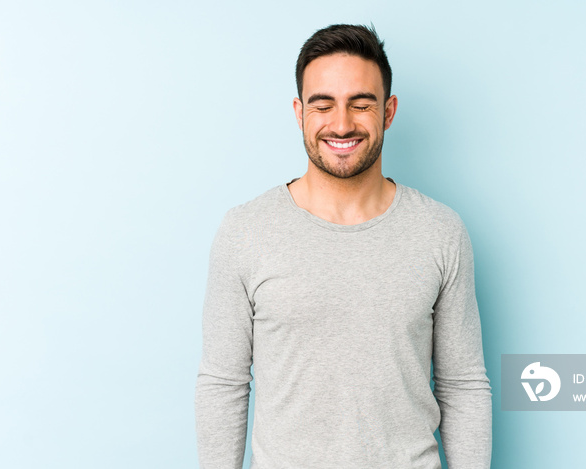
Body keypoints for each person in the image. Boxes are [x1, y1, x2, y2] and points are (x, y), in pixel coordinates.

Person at [195, 24, 492, 469]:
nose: (341, 124)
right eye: (323, 104)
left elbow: (463, 383)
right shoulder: (246, 230)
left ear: (388, 112)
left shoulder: (440, 232)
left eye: (361, 103)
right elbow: (223, 383)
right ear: (299, 113)